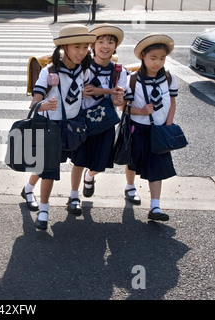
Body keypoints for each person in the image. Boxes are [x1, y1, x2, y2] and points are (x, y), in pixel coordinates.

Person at [22, 24, 95, 230]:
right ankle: (43, 209)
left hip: (75, 124)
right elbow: (34, 103)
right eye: (76, 47)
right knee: (48, 169)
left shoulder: (84, 69)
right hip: (51, 126)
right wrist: (44, 104)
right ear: (64, 47)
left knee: (79, 161)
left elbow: (83, 91)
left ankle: (73, 196)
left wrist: (88, 93)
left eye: (85, 47)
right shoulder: (49, 71)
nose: (82, 52)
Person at [69, 24, 126, 213]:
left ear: (115, 46)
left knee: (100, 163)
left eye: (110, 42)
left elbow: (119, 100)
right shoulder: (83, 67)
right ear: (93, 45)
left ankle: (90, 176)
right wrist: (109, 91)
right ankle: (73, 196)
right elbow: (84, 91)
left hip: (105, 123)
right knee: (79, 160)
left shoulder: (119, 71)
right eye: (100, 41)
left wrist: (117, 98)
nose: (105, 46)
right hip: (83, 121)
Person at [123, 34, 178, 221]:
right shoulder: (133, 80)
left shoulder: (169, 77)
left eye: (162, 58)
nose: (158, 63)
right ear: (143, 57)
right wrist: (140, 111)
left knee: (157, 166)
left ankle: (155, 207)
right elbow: (124, 108)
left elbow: (172, 102)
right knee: (133, 161)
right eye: (153, 58)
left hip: (159, 130)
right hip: (138, 128)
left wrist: (168, 125)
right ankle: (130, 187)